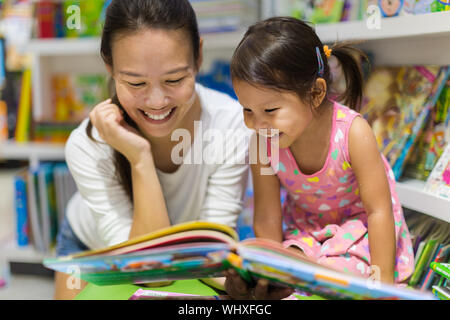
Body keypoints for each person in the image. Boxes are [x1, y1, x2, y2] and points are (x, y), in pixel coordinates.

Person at [54, 0, 250, 300]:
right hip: (89, 247)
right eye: (136, 83)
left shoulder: (231, 126)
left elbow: (212, 252)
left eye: (174, 79)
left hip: (186, 259)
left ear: (198, 55)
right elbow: (148, 272)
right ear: (109, 67)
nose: (157, 101)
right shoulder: (88, 145)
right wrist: (140, 158)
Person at [225, 17, 415, 299]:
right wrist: (267, 267)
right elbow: (266, 217)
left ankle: (307, 278)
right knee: (273, 260)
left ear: (315, 93)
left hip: (359, 232)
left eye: (270, 110)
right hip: (307, 233)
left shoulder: (354, 133)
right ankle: (292, 279)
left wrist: (383, 277)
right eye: (247, 110)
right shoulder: (261, 144)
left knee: (338, 271)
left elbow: (379, 211)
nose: (257, 124)